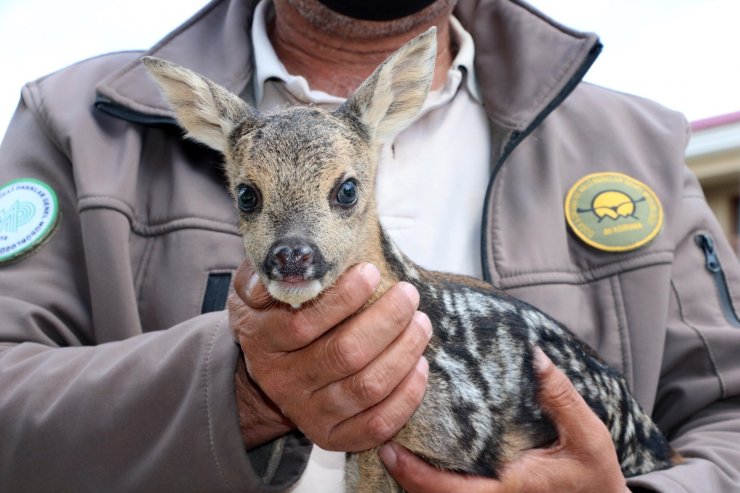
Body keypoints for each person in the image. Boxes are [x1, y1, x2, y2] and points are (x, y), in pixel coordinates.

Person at [0, 0, 738, 491]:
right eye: (252, 198)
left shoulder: (636, 147)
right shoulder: (83, 127)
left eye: (343, 194)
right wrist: (237, 391)